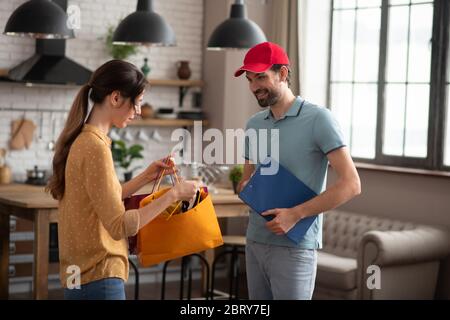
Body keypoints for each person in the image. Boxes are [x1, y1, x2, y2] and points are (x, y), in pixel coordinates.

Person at [46, 60, 198, 300]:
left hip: (77, 276)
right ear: (115, 98)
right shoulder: (96, 147)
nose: (139, 111)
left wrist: (146, 176)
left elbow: (103, 200)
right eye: (137, 102)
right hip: (100, 276)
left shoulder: (83, 140)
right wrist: (174, 195)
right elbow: (120, 226)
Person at [235, 42, 361, 300]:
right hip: (255, 241)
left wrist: (296, 214)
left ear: (282, 74)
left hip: (295, 247)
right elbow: (247, 179)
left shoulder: (319, 119)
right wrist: (244, 187)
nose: (254, 87)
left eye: (261, 77)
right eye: (250, 79)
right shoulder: (254, 124)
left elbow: (351, 184)